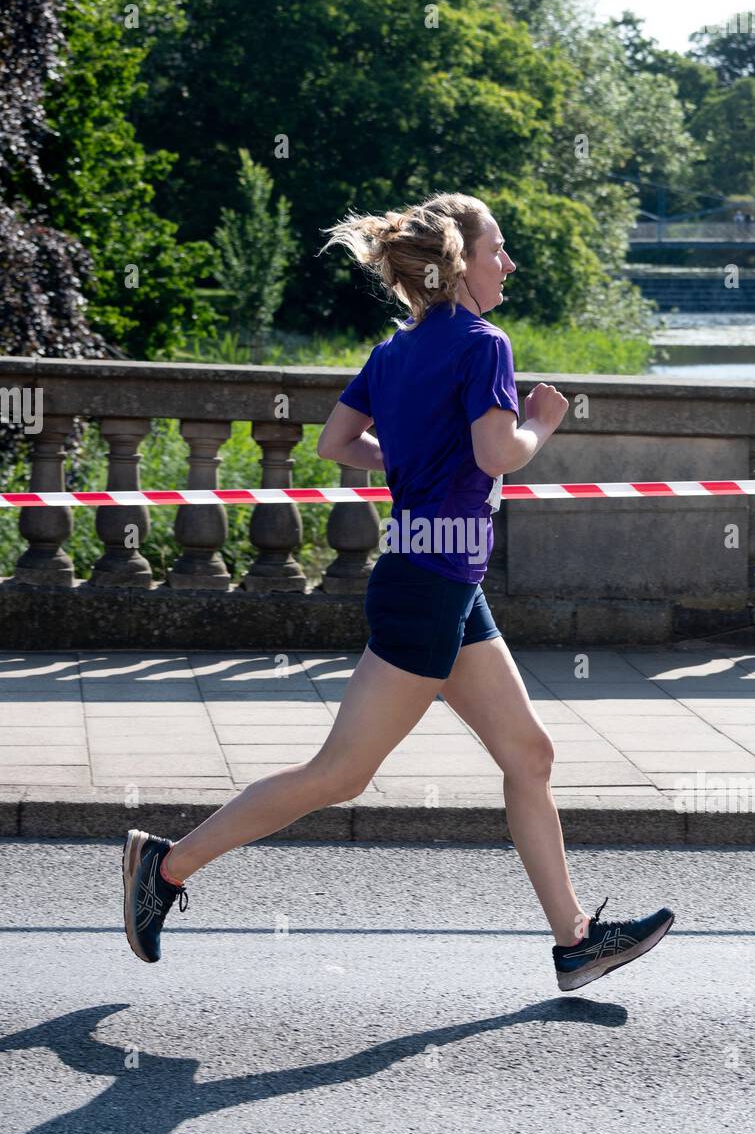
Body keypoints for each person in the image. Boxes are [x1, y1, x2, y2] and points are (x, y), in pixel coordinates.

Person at [122, 191, 674, 993]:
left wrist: (416, 458)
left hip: (443, 581)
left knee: (529, 754)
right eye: (500, 250)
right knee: (340, 774)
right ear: (462, 262)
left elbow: (336, 443)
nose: (509, 264)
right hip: (428, 589)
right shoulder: (485, 344)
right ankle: (166, 868)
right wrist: (542, 422)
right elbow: (498, 454)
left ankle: (575, 940)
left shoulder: (396, 350)